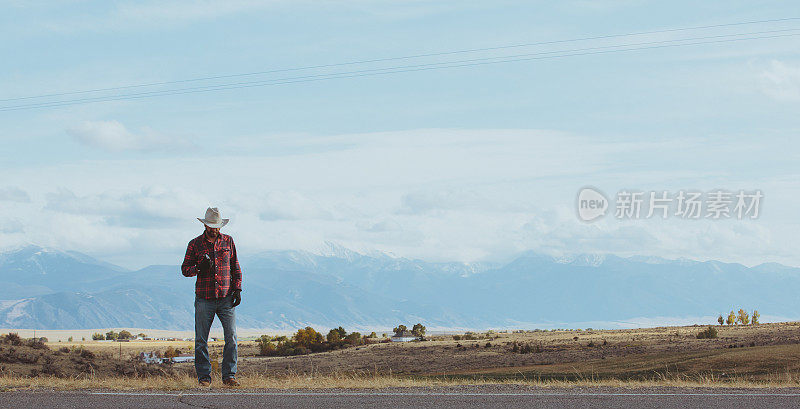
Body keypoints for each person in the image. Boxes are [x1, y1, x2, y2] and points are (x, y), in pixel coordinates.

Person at [181, 207, 242, 387]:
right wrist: (199, 268)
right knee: (201, 340)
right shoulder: (195, 244)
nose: (214, 229)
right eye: (211, 226)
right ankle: (204, 378)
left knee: (231, 337)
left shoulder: (228, 241)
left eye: (216, 226)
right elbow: (185, 269)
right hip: (204, 298)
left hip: (226, 296)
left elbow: (235, 267)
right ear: (205, 225)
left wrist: (238, 289)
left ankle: (229, 376)